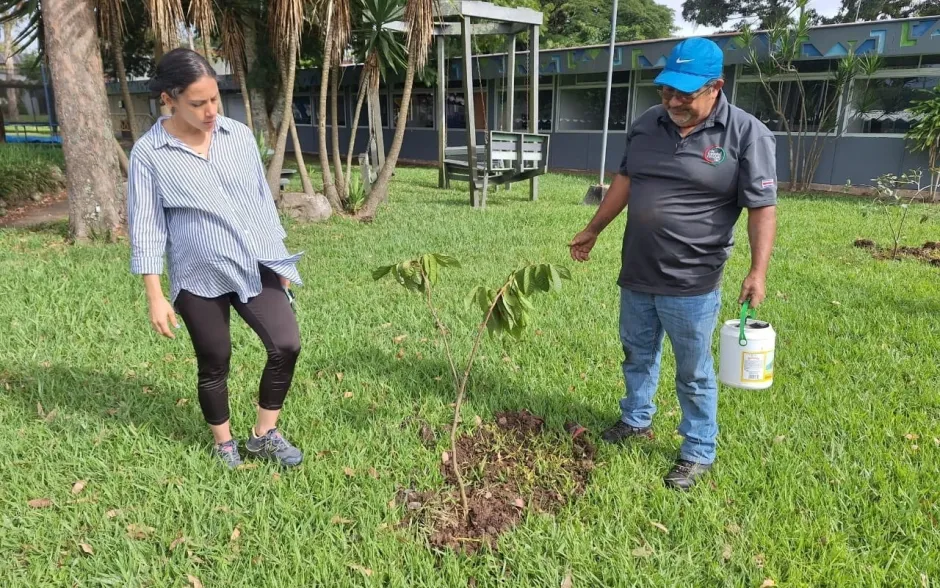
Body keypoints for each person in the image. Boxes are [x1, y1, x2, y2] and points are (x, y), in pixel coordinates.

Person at [569, 37, 777, 490]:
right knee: (637, 353)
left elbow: (762, 207)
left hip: (693, 279)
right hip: (638, 269)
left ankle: (698, 447)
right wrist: (594, 227)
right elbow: (625, 179)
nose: (672, 102)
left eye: (685, 94)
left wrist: (757, 271)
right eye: (667, 91)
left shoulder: (746, 134)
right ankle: (636, 418)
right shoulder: (648, 123)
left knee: (693, 369)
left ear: (716, 86)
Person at [127, 48, 305, 469]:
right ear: (168, 99)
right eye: (197, 103)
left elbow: (261, 203)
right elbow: (146, 226)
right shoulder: (150, 155)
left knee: (286, 344)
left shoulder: (237, 136)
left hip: (253, 264)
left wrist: (278, 264)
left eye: (214, 100)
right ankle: (223, 442)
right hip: (197, 275)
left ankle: (264, 433)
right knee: (215, 359)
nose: (210, 111)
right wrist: (155, 295)